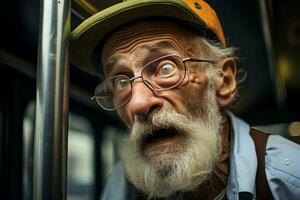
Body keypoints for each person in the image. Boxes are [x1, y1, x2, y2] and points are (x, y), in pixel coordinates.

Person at [70, 0, 300, 199]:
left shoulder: (290, 178)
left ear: (224, 80)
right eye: (121, 82)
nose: (137, 103)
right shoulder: (124, 180)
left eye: (165, 68)